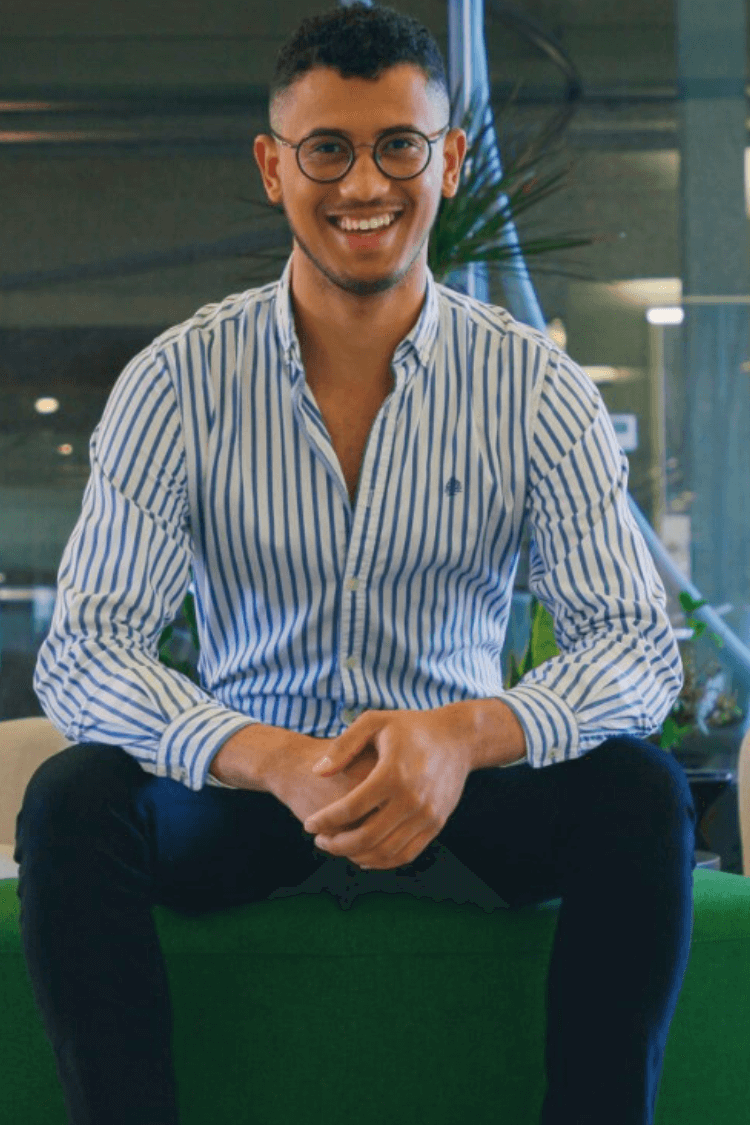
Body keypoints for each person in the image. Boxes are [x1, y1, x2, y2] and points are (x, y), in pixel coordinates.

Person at [14, 4, 697, 1124]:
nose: (363, 183)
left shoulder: (533, 386)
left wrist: (461, 735)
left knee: (642, 792)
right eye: (326, 148)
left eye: (398, 145)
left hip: (465, 796)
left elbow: (633, 647)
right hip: (249, 797)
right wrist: (267, 756)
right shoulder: (176, 381)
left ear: (450, 160)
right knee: (74, 797)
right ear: (272, 167)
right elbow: (88, 651)